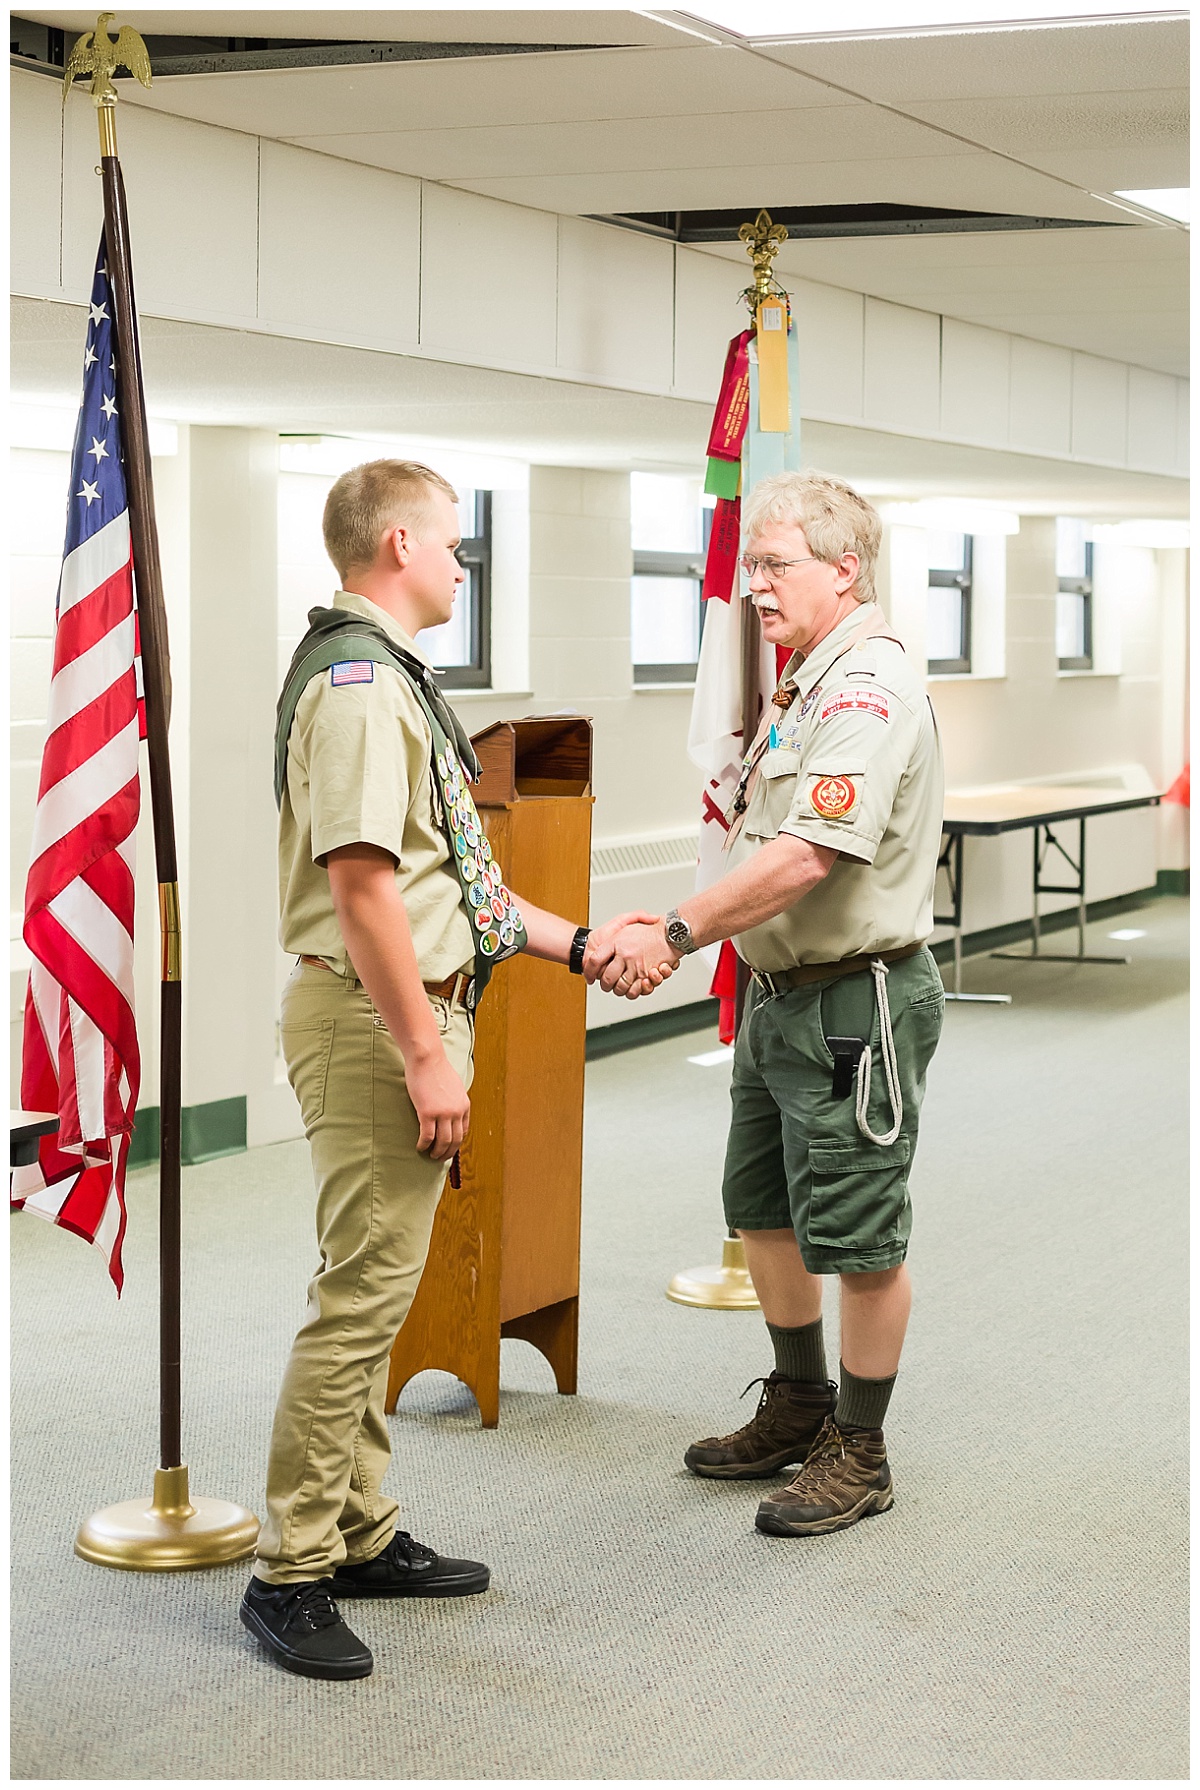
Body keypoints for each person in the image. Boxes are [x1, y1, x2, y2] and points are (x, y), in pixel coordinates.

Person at [242, 459, 662, 1680]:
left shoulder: (387, 677)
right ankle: (292, 1569)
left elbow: (448, 886)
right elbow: (364, 887)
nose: (464, 564)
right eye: (453, 544)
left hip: (407, 1012)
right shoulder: (365, 687)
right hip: (383, 1026)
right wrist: (427, 1055)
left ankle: (358, 1527)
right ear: (398, 544)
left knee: (378, 1289)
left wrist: (582, 945)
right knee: (359, 1299)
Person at [587, 469, 945, 1539]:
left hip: (851, 999)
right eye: (749, 566)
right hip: (780, 991)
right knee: (762, 1208)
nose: (753, 587)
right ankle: (799, 1400)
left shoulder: (866, 689)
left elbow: (807, 854)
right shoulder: (805, 677)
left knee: (862, 1236)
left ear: (845, 569)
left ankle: (863, 1448)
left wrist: (678, 930)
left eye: (774, 564)